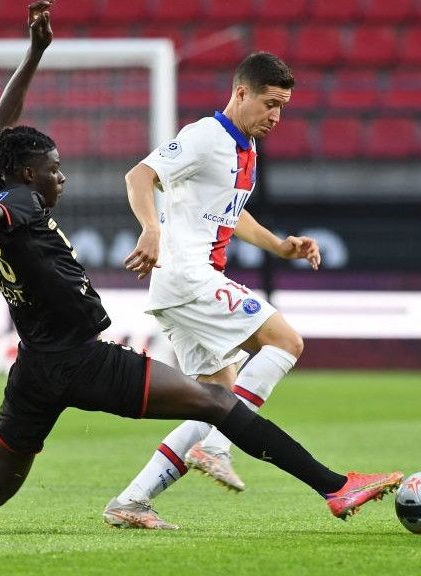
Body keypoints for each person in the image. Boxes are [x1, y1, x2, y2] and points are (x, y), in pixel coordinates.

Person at [0, 1, 401, 533]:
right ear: (29, 177)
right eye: (54, 169)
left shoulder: (0, 177)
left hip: (34, 368)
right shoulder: (16, 204)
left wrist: (34, 53)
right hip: (82, 359)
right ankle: (334, 486)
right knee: (218, 402)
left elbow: (1, 126)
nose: (62, 177)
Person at [104, 50, 321, 529]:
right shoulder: (207, 134)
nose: (276, 116)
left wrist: (280, 246)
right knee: (286, 341)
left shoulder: (246, 146)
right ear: (241, 92)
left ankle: (130, 503)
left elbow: (232, 212)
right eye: (269, 103)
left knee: (216, 401)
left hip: (181, 285)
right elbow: (140, 175)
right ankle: (217, 446)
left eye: (282, 106)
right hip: (188, 276)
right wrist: (150, 229)